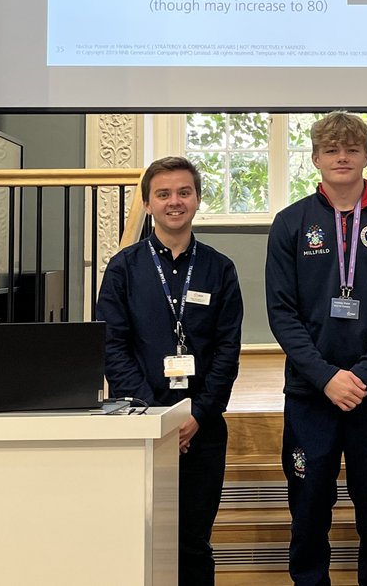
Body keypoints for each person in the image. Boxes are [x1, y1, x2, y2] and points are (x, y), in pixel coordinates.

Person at [265, 111, 367, 586]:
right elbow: (281, 312)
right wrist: (326, 376)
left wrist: (364, 374)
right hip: (311, 394)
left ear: (366, 156)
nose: (342, 158)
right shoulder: (291, 222)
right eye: (331, 150)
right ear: (315, 158)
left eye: (351, 149)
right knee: (309, 510)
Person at [96, 156, 244, 585]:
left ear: (197, 200)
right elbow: (113, 346)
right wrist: (156, 418)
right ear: (147, 203)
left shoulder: (220, 268)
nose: (174, 202)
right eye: (163, 194)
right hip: (139, 427)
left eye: (183, 192)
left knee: (194, 542)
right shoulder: (124, 269)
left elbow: (227, 351)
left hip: (202, 428)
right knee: (141, 538)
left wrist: (195, 415)